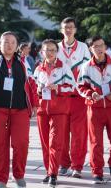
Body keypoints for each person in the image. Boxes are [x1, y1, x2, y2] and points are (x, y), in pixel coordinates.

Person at [0, 31, 38, 188]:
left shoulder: (23, 61)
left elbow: (31, 83)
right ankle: (1, 179)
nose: (9, 45)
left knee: (21, 143)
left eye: (12, 42)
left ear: (17, 45)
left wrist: (35, 103)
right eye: (6, 42)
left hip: (20, 109)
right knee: (0, 145)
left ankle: (19, 175)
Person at [77, 35, 111, 184]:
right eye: (96, 46)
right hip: (95, 109)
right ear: (90, 49)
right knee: (95, 142)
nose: (100, 49)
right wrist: (90, 93)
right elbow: (80, 86)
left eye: (102, 45)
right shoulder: (86, 67)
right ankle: (97, 172)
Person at [34, 39, 74, 187]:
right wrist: (38, 91)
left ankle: (53, 173)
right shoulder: (38, 69)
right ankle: (48, 171)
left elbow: (72, 87)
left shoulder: (64, 67)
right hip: (42, 111)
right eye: (46, 50)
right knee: (45, 144)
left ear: (57, 52)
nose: (49, 53)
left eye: (52, 50)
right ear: (42, 52)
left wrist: (57, 87)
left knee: (55, 143)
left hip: (60, 111)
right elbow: (32, 87)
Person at [57, 17, 91, 178]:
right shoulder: (55, 48)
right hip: (61, 97)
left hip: (79, 98)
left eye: (71, 27)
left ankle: (77, 166)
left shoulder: (83, 47)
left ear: (75, 29)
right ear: (61, 30)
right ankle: (64, 163)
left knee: (79, 133)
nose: (68, 30)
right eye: (65, 27)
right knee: (61, 133)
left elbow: (89, 71)